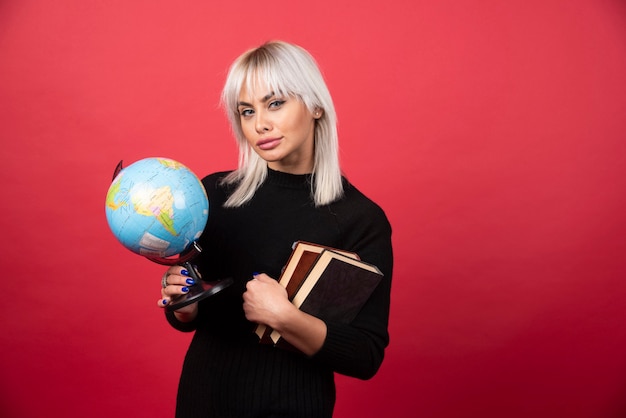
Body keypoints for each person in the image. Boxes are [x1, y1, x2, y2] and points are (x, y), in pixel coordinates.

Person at [158, 40, 393, 418]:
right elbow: (192, 311)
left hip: (293, 407)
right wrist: (183, 307)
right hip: (202, 401)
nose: (260, 123)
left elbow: (365, 355)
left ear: (316, 105)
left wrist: (285, 318)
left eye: (276, 103)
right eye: (247, 111)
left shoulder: (359, 219)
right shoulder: (214, 196)